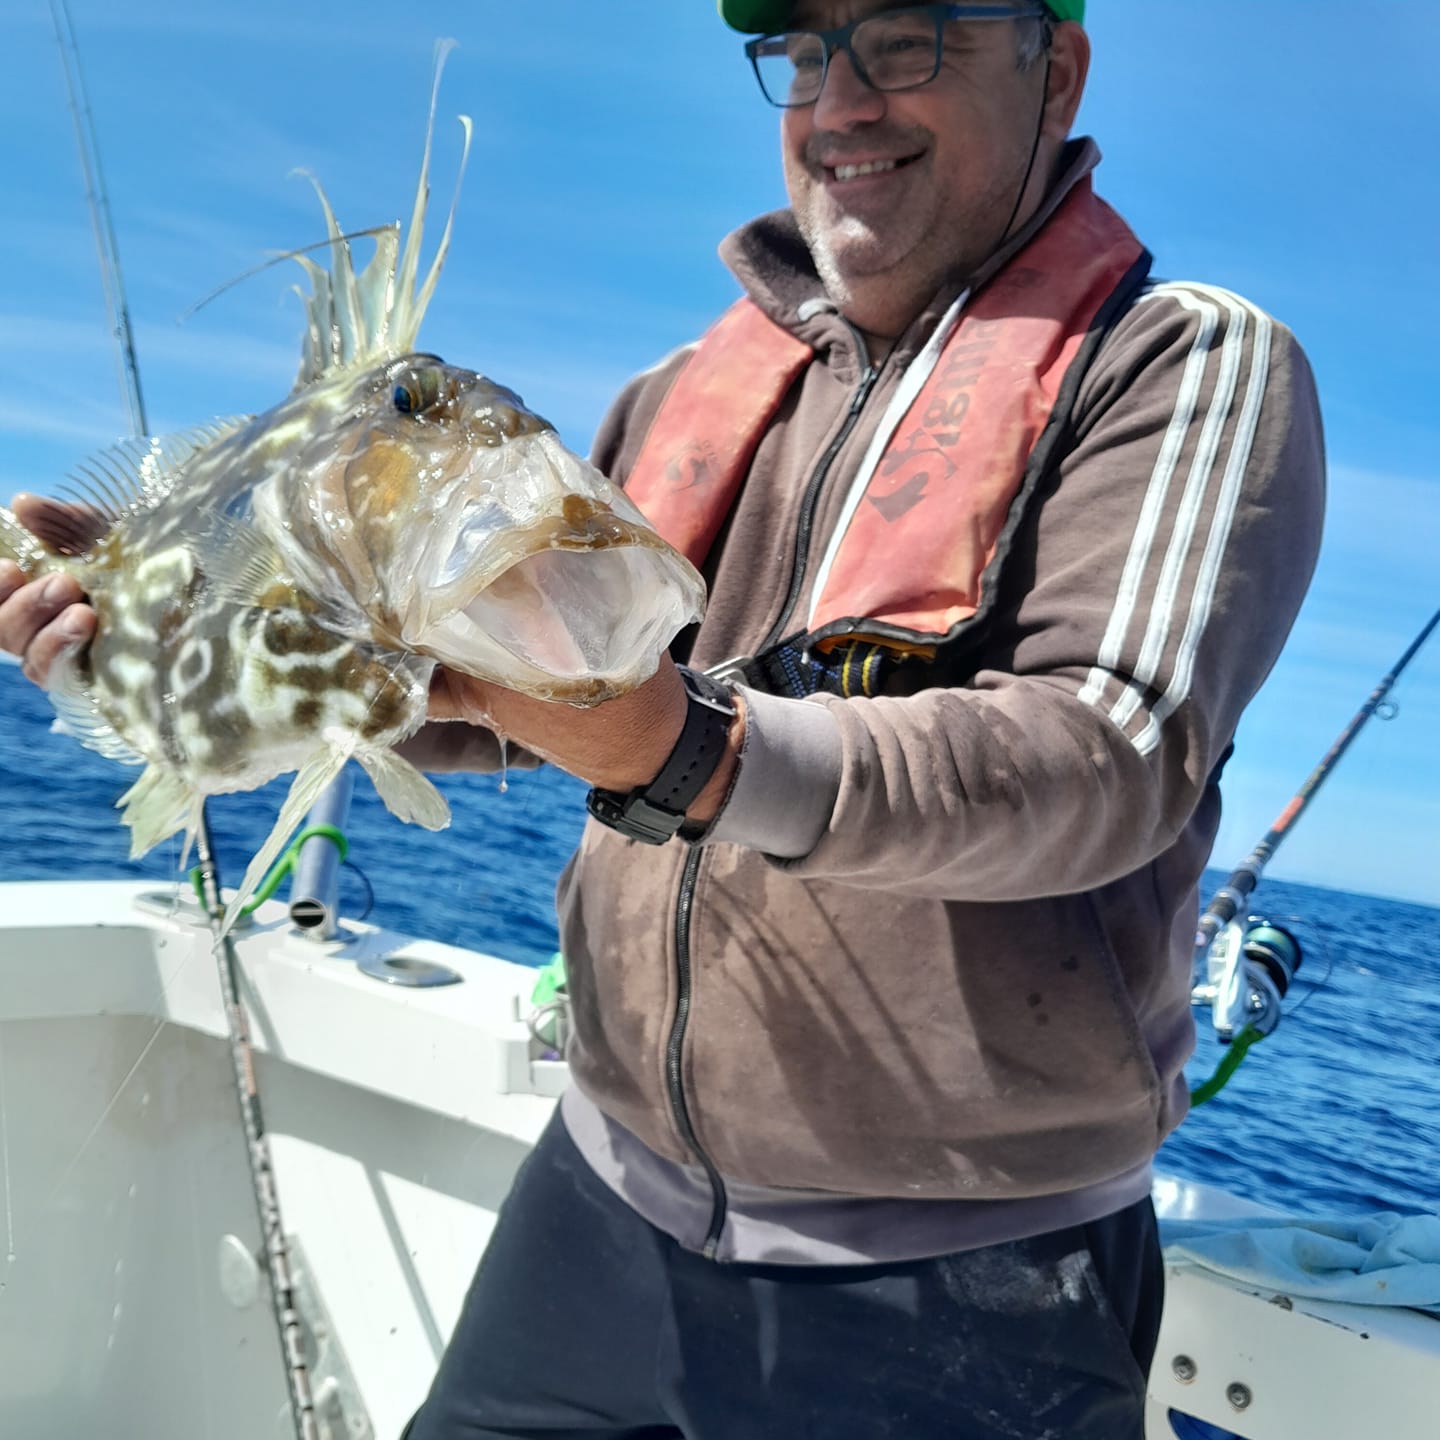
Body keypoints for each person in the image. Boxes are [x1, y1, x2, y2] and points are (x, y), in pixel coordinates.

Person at [1, 2, 1325, 1435]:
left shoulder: (1182, 365)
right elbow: (511, 710)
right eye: (807, 57)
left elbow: (1103, 760)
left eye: (906, 41)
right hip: (599, 1196)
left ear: (1054, 66)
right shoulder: (680, 395)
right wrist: (157, 657)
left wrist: (691, 750)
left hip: (960, 1278)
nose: (842, 104)